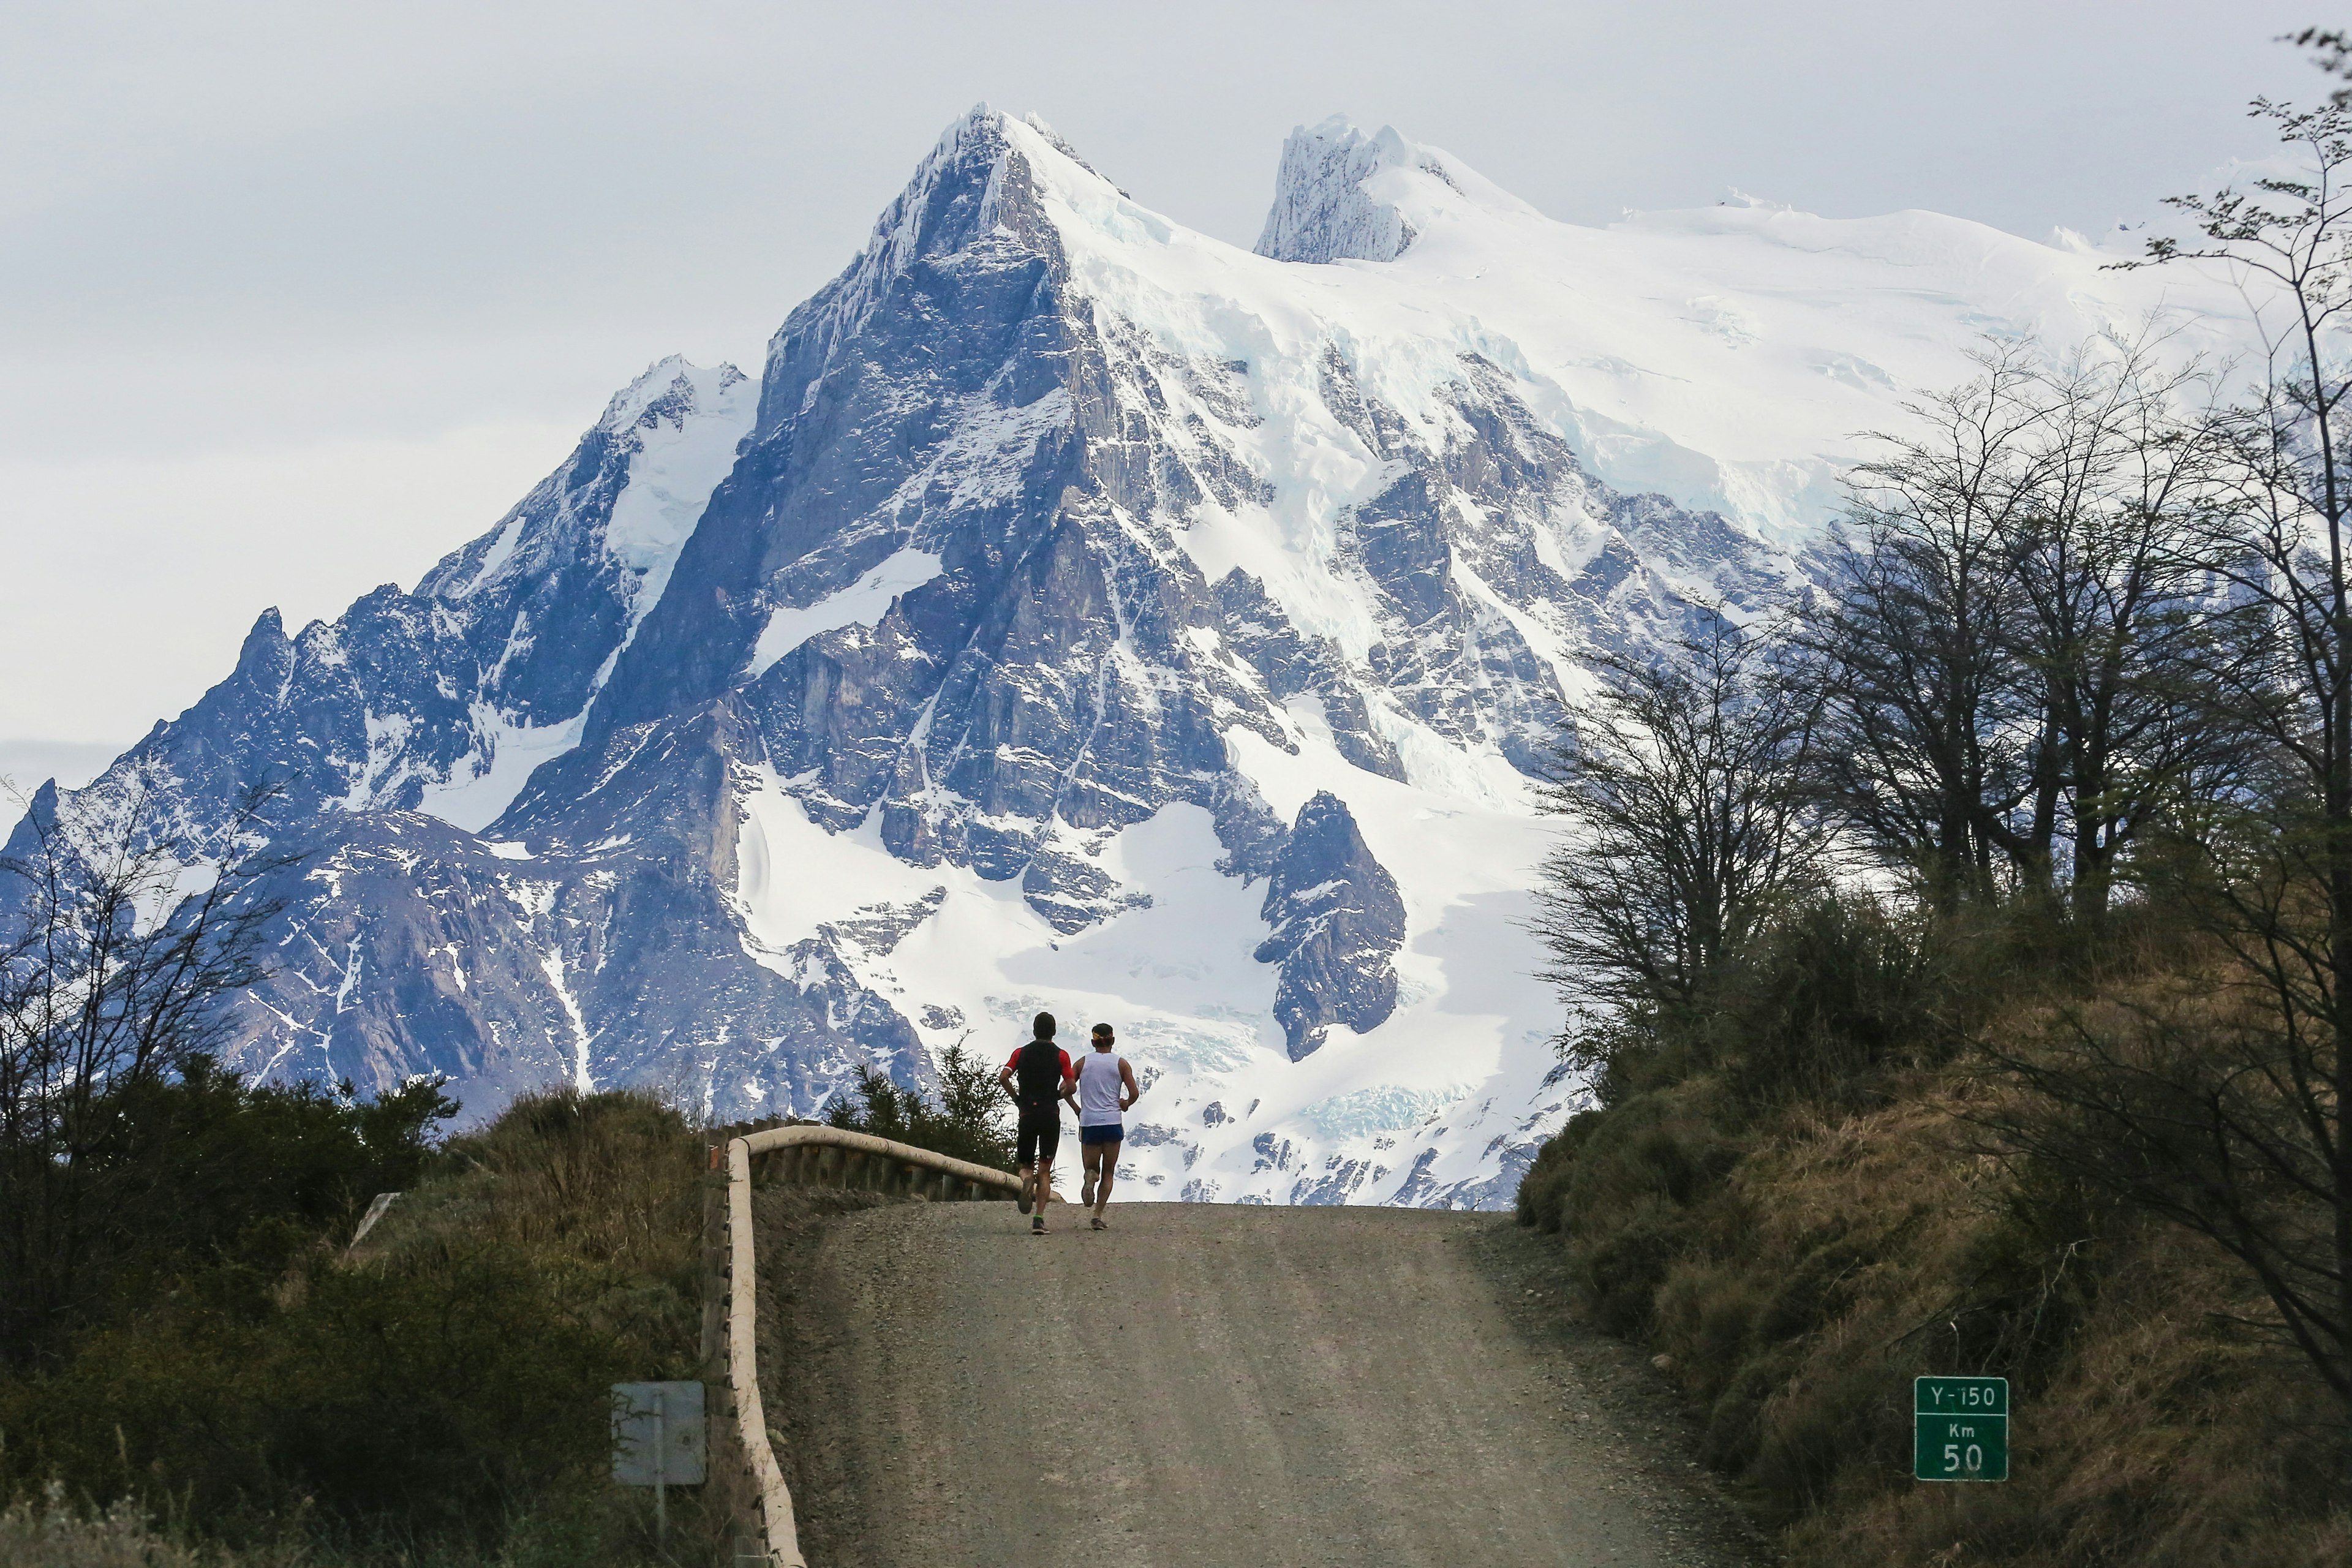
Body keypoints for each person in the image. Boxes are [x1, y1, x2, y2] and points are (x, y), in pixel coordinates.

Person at [998, 1011, 1076, 1235]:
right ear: (1054, 1032)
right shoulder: (1061, 1055)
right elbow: (1071, 1087)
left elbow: (1003, 1077)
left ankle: (1026, 1180)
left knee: (1025, 1166)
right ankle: (1039, 1219)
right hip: (1050, 1114)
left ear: (1034, 1031)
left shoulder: (1020, 1053)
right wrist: (1058, 1095)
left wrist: (1017, 1099)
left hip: (1027, 1116)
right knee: (1045, 1170)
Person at [1074, 1022, 1140, 1231]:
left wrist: (1078, 1109)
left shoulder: (1082, 1063)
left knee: (1092, 1168)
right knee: (1109, 1172)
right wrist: (1125, 1104)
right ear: (1112, 1040)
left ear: (1093, 1042)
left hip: (1089, 1122)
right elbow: (1134, 1093)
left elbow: (1065, 1088)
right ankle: (1097, 1215)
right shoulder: (1121, 1064)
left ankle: (1090, 1178)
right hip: (1112, 1122)